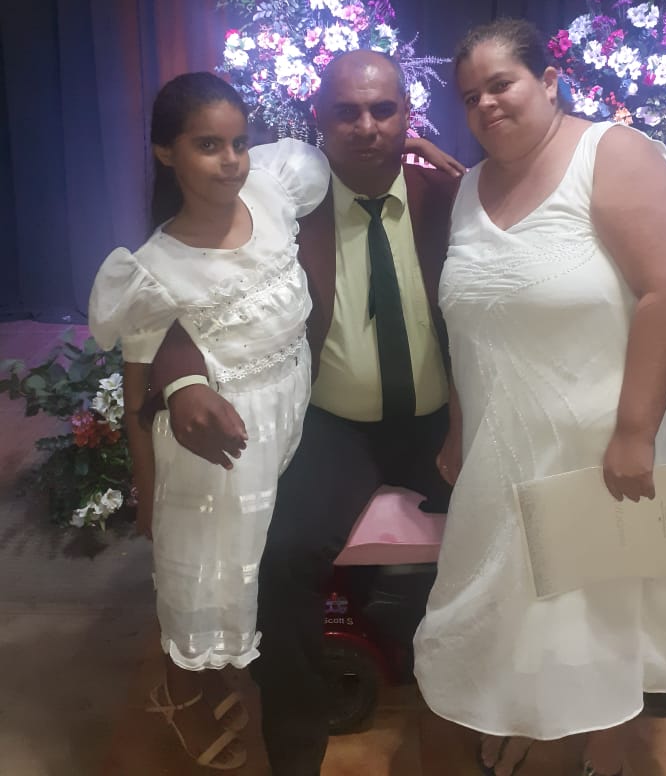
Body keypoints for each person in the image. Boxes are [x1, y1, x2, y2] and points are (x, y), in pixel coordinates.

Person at [149, 49, 464, 775]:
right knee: (282, 556)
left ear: (407, 116)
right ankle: (294, 749)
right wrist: (182, 380)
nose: (366, 126)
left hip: (443, 420)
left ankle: (498, 704)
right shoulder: (277, 204)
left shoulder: (450, 198)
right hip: (331, 425)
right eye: (346, 111)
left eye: (383, 109)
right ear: (317, 119)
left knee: (517, 523)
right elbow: (178, 288)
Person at [413, 19, 666, 776]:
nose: (485, 104)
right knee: (506, 600)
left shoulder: (613, 152)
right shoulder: (470, 187)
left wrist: (635, 433)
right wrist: (459, 427)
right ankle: (526, 717)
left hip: (601, 447)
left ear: (548, 81)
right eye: (469, 96)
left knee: (584, 611)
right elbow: (470, 327)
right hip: (501, 446)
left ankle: (571, 741)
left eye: (501, 84)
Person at [89, 72, 331, 770]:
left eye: (238, 143)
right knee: (208, 580)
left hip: (288, 420)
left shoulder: (272, 192)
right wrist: (146, 490)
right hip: (218, 452)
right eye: (207, 146)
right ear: (166, 153)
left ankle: (230, 682)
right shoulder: (156, 268)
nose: (231, 162)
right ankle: (184, 697)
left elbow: (337, 170)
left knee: (257, 572)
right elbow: (139, 385)